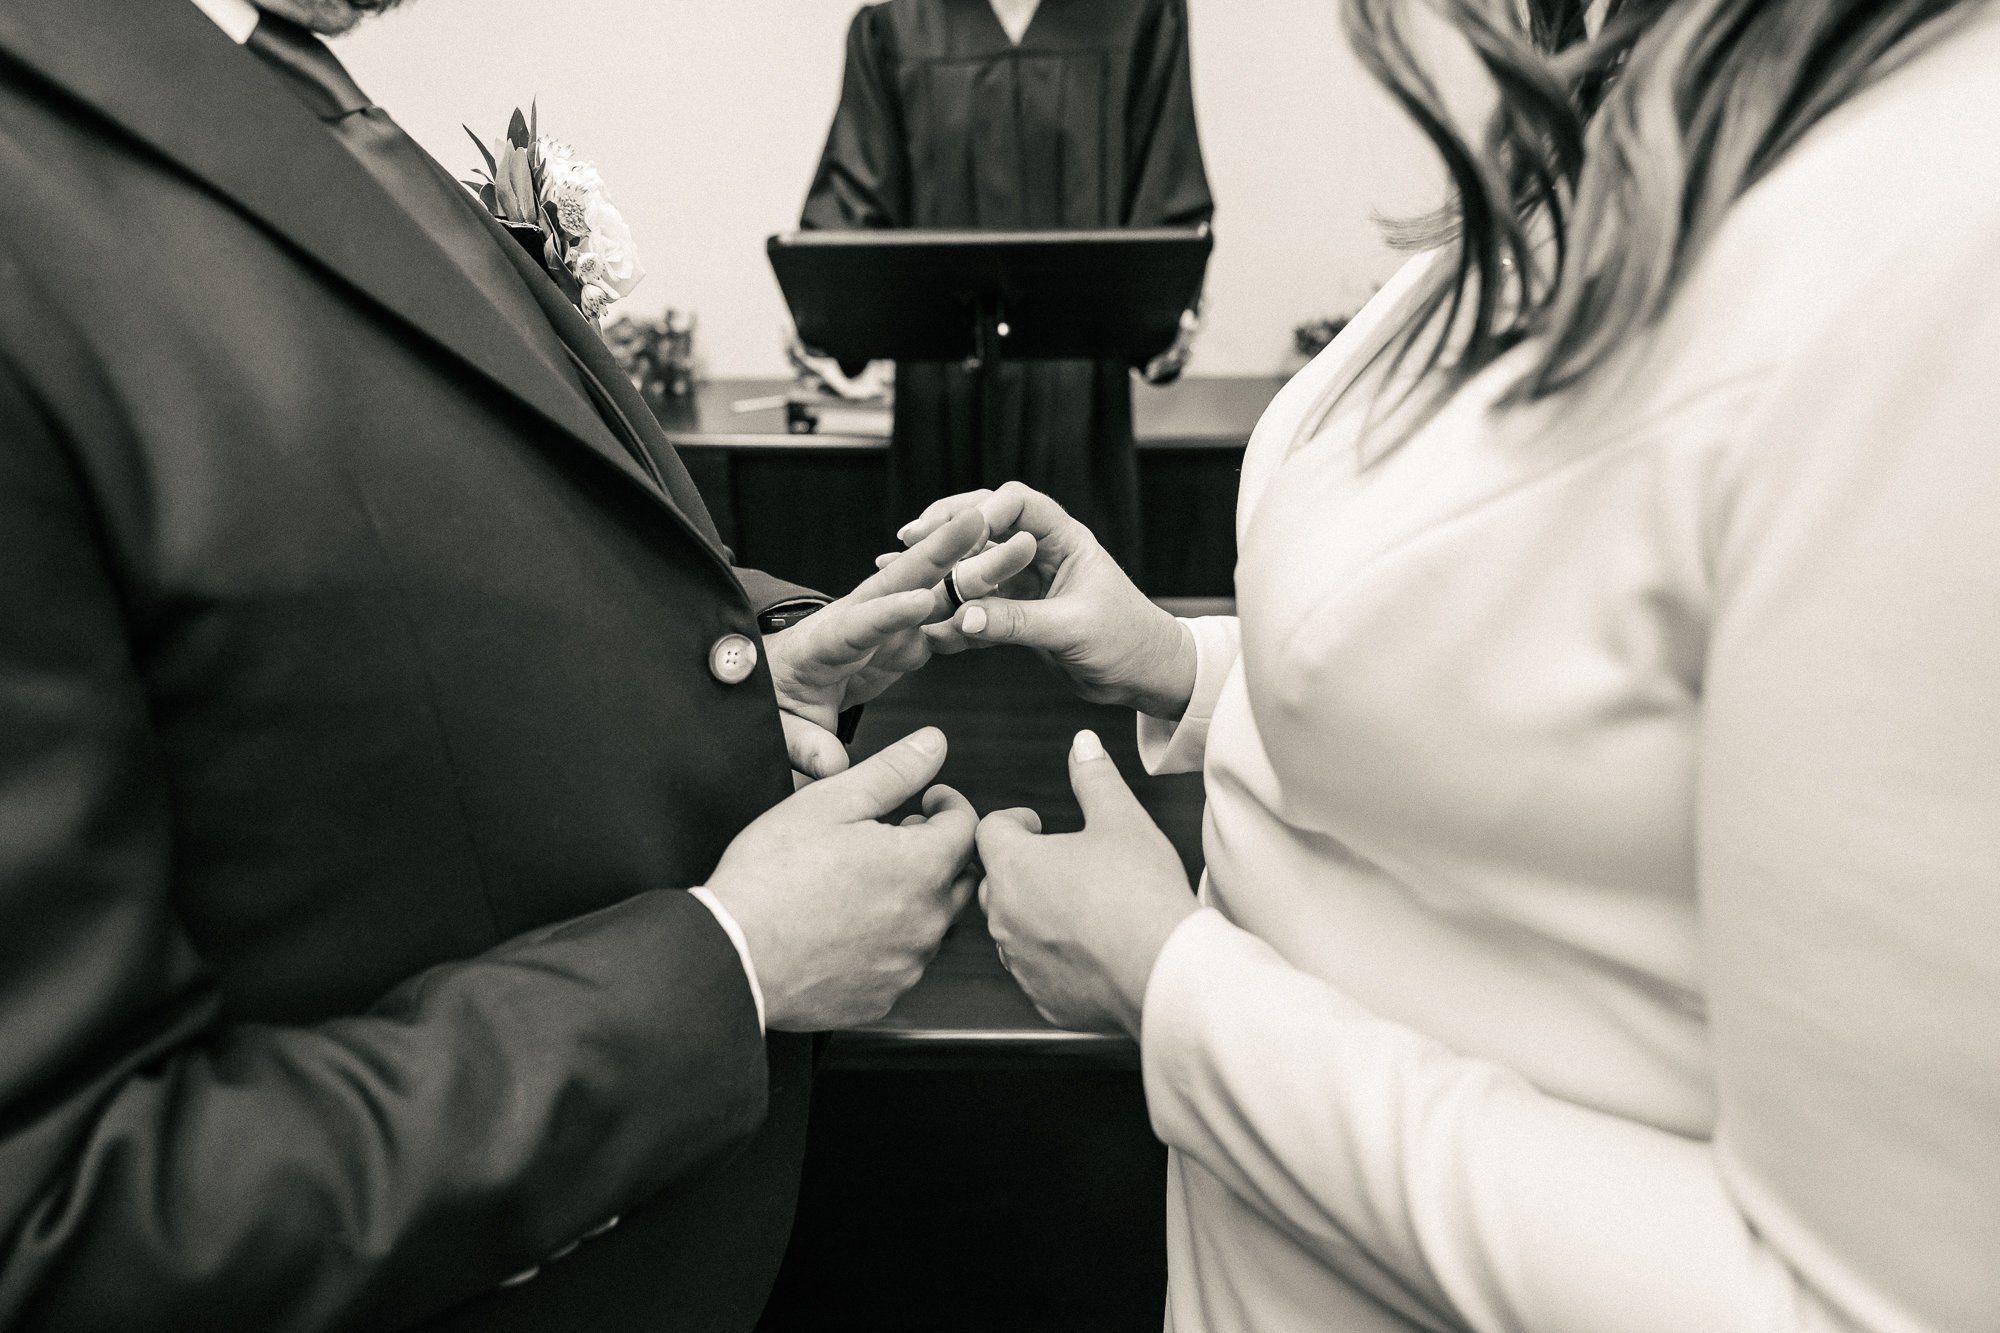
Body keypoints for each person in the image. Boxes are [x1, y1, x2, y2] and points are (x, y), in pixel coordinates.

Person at [900, 0, 2000, 1328]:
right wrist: (1187, 666)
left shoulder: (1943, 243)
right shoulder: (1627, 101)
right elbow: (1578, 712)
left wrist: (1169, 984)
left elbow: (1843, 1304)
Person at [0, 0, 1034, 1327]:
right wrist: (729, 967)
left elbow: (356, 621)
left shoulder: (279, 92)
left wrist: (754, 666)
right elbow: (63, 1222)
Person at [801, 0, 1214, 573]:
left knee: (1080, 594)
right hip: (938, 400)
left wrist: (1162, 318)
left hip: (1081, 403)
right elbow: (851, 207)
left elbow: (1165, 196)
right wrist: (825, 310)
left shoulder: (1139, 17)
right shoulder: (894, 28)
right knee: (938, 599)